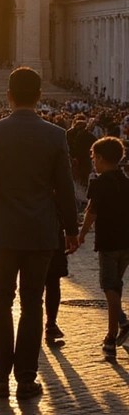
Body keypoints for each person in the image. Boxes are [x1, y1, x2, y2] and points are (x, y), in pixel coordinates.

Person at [0, 66, 78, 401]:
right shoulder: (55, 135)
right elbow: (65, 187)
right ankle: (27, 379)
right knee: (34, 303)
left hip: (4, 231)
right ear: (40, 96)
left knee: (1, 299)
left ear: (10, 95)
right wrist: (71, 229)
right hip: (42, 231)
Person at [78, 136, 129, 361]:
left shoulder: (99, 183)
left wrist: (80, 234)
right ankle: (122, 322)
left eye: (93, 158)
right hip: (126, 241)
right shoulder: (126, 181)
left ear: (99, 158)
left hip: (108, 241)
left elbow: (92, 212)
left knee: (109, 287)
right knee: (115, 285)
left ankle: (110, 337)